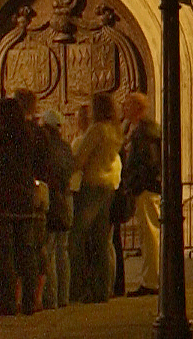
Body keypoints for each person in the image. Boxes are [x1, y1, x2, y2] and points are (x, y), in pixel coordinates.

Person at [0, 96, 45, 317]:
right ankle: (29, 301)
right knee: (26, 252)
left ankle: (7, 302)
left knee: (2, 254)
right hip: (23, 200)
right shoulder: (28, 135)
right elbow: (40, 164)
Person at [69, 92, 122, 304]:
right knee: (101, 240)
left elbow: (80, 157)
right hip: (108, 186)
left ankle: (78, 287)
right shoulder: (114, 130)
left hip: (92, 186)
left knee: (77, 237)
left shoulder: (97, 130)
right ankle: (102, 289)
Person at [117, 92, 162, 297]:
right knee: (148, 235)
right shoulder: (141, 129)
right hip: (146, 187)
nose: (124, 109)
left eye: (127, 105)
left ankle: (150, 281)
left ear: (137, 108)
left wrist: (136, 182)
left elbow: (148, 162)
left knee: (150, 234)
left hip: (146, 188)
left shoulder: (144, 132)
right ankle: (150, 278)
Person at [36, 107, 75, 311]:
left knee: (49, 251)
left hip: (52, 200)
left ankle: (51, 299)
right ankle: (64, 296)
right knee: (63, 251)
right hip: (66, 200)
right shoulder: (66, 147)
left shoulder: (46, 147)